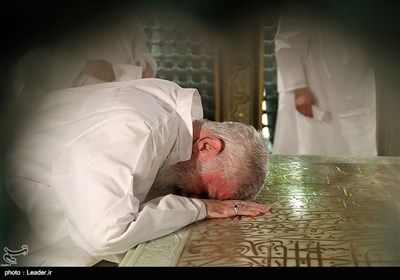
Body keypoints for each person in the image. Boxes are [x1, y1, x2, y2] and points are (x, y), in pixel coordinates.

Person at [4, 78, 270, 266]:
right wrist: (199, 209)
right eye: (208, 191)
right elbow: (105, 234)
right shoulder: (140, 126)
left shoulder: (172, 116)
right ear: (208, 146)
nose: (197, 195)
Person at [272, 7, 377, 156]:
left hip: (357, 81)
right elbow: (287, 40)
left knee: (358, 153)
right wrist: (298, 88)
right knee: (312, 154)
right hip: (315, 85)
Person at [12, 16, 157, 100]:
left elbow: (141, 49)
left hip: (123, 95)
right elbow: (35, 57)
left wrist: (146, 65)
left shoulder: (128, 14)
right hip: (73, 98)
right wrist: (84, 66)